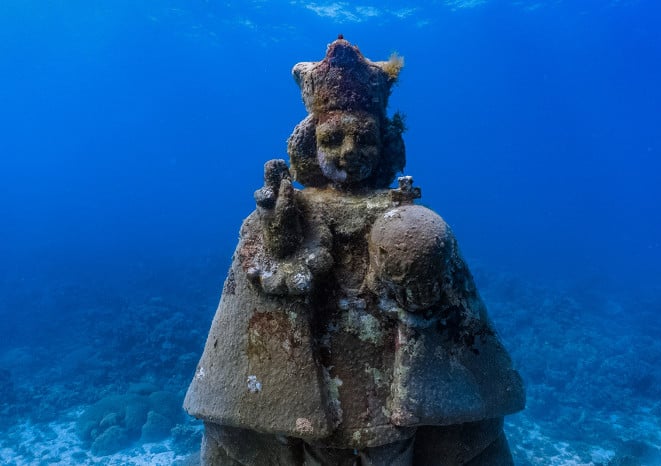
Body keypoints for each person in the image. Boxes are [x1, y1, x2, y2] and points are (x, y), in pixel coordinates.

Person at [184, 37, 525, 465]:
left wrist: (420, 269)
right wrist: (279, 237)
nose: (349, 153)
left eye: (363, 140)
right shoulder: (291, 211)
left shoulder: (406, 212)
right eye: (334, 140)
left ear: (384, 143)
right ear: (311, 145)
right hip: (306, 392)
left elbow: (450, 309)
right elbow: (259, 287)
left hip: (400, 395)